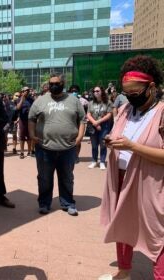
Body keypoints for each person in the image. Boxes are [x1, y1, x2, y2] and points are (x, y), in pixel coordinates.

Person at [99, 55, 164, 280]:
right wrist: (111, 140)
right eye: (126, 93)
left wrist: (132, 147)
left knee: (158, 232)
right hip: (120, 177)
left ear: (152, 87)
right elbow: (119, 136)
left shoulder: (162, 112)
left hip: (151, 182)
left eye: (135, 93)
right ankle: (124, 271)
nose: (130, 97)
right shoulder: (126, 110)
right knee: (122, 224)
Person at [28, 73, 85, 216]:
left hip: (68, 148)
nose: (54, 86)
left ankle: (68, 203)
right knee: (44, 178)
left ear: (63, 84)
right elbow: (31, 118)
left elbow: (82, 119)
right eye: (51, 83)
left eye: (57, 83)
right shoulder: (40, 100)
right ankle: (44, 204)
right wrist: (31, 134)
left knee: (67, 177)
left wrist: (80, 136)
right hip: (44, 147)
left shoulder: (73, 100)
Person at [87, 86, 113, 170]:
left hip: (104, 125)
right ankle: (94, 161)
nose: (96, 92)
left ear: (101, 91)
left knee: (103, 144)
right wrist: (95, 123)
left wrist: (98, 122)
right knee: (94, 145)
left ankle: (102, 161)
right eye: (94, 91)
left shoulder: (108, 102)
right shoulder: (90, 103)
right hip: (93, 126)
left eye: (97, 91)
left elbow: (109, 114)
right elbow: (88, 114)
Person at [16, 86, 34, 158]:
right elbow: (18, 108)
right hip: (22, 120)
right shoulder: (19, 99)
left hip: (29, 120)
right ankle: (22, 152)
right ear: (22, 92)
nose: (27, 92)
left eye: (28, 91)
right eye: (25, 91)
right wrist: (22, 100)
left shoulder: (31, 99)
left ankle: (29, 151)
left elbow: (34, 108)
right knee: (22, 136)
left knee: (29, 136)